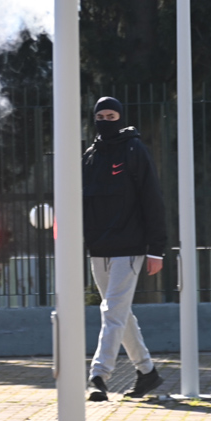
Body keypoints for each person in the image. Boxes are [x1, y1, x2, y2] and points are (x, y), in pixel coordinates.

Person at [82, 96, 167, 402]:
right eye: (101, 116)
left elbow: (152, 199)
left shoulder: (134, 151)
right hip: (98, 249)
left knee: (112, 312)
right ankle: (147, 372)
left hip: (130, 248)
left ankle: (98, 376)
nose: (106, 121)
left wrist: (156, 249)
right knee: (120, 313)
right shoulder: (90, 155)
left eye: (111, 115)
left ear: (121, 117)